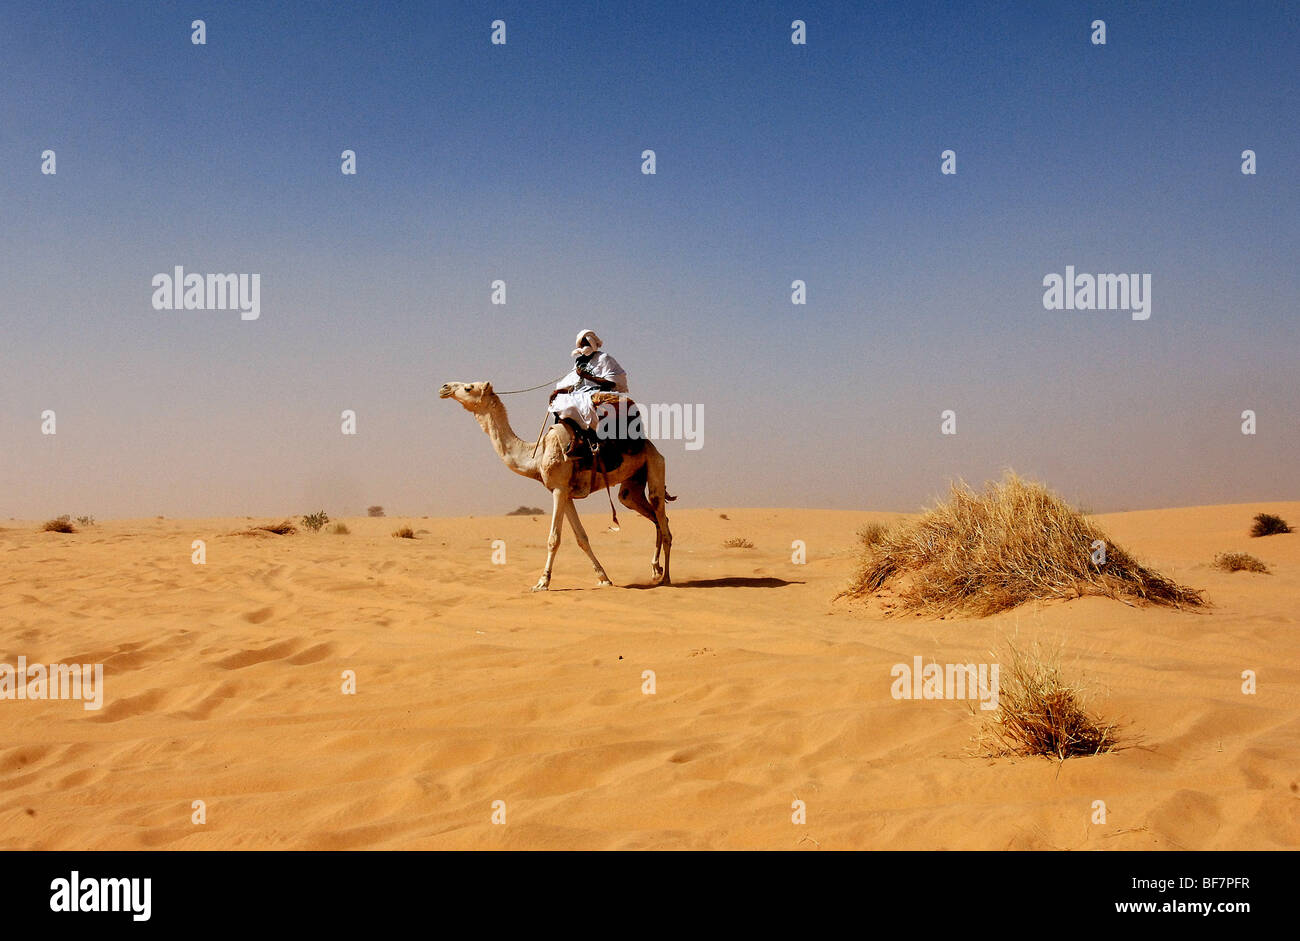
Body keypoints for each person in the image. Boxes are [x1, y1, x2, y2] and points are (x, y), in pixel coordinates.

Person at [549, 329, 628, 456]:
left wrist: (588, 376)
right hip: (580, 393)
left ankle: (587, 440)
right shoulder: (579, 361)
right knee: (557, 403)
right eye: (582, 344)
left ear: (593, 343)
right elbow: (576, 383)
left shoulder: (604, 358)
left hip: (598, 392)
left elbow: (612, 382)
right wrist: (559, 390)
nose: (584, 346)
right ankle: (575, 437)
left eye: (586, 343)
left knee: (579, 405)